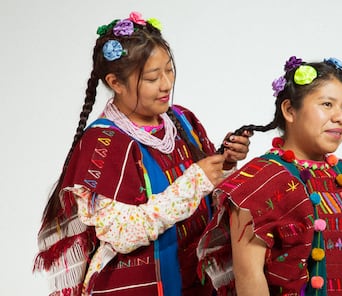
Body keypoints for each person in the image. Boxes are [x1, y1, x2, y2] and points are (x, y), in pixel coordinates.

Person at [33, 11, 252, 296]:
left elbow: (207, 194)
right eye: (152, 77)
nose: (166, 84)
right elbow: (121, 233)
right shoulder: (102, 142)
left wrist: (226, 162)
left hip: (195, 281)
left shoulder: (181, 120)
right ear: (115, 83)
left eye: (169, 70)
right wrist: (196, 181)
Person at [197, 56, 342, 295]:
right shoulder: (259, 183)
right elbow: (249, 277)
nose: (340, 117)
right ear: (289, 110)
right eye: (327, 104)